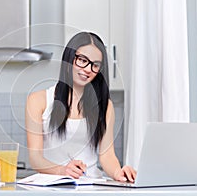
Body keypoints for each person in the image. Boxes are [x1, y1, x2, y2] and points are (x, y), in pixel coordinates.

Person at [25, 31, 136, 182]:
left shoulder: (105, 106)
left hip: (91, 185)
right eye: (83, 60)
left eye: (95, 65)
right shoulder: (38, 100)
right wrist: (62, 170)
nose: (88, 69)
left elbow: (107, 155)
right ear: (69, 59)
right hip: (53, 186)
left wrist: (118, 172)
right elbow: (35, 157)